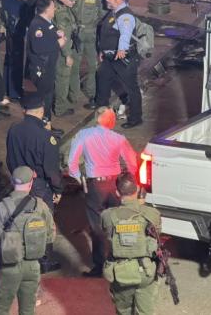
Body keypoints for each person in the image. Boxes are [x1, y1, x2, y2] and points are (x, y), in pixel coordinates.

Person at [67, 107, 139, 277]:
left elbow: (72, 164)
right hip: (115, 185)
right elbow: (132, 163)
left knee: (97, 227)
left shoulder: (84, 135)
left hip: (95, 186)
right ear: (111, 121)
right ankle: (120, 261)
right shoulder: (119, 138)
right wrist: (129, 180)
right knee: (118, 223)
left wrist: (80, 178)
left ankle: (99, 266)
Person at [6, 91, 64, 272]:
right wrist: (57, 189)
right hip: (39, 187)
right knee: (42, 223)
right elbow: (52, 169)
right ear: (42, 110)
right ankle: (43, 261)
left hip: (19, 182)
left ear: (24, 110)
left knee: (21, 219)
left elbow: (10, 159)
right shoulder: (46, 137)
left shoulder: (14, 130)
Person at [0, 166, 56, 315]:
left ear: (13, 183)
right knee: (28, 310)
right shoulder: (40, 206)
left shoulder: (1, 207)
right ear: (31, 183)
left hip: (7, 267)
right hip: (32, 266)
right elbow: (51, 235)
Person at [100, 173, 163, 315]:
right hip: (145, 273)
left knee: (123, 311)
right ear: (139, 189)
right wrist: (140, 204)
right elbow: (157, 235)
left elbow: (106, 233)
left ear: (117, 192)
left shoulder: (107, 215)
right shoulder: (151, 214)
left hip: (120, 273)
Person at [92, 0, 143, 129]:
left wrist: (122, 49)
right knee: (102, 83)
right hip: (110, 57)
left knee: (131, 88)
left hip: (123, 58)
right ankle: (102, 115)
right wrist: (103, 50)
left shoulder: (125, 15)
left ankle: (135, 118)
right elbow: (108, 34)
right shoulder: (114, 12)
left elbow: (125, 33)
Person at [0, 0, 43, 105]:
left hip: (18, 28)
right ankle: (14, 92)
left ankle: (11, 89)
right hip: (14, 30)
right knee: (15, 61)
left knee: (13, 61)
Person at [25, 0, 66, 127]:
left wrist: (57, 34)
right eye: (53, 7)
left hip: (48, 68)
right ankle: (42, 127)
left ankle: (47, 123)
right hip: (41, 70)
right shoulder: (37, 25)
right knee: (42, 100)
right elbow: (38, 47)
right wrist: (58, 43)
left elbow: (48, 36)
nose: (55, 9)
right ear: (47, 9)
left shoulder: (46, 21)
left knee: (48, 97)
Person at [69, 0, 103, 103]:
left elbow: (101, 14)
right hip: (76, 34)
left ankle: (91, 93)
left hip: (90, 35)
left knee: (92, 66)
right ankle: (74, 95)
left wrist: (92, 26)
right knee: (75, 66)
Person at [53, 0, 79, 117]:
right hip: (62, 51)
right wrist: (68, 55)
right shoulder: (61, 14)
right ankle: (60, 109)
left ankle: (60, 104)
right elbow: (64, 37)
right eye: (71, 0)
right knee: (62, 79)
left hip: (61, 48)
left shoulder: (60, 5)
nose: (73, 2)